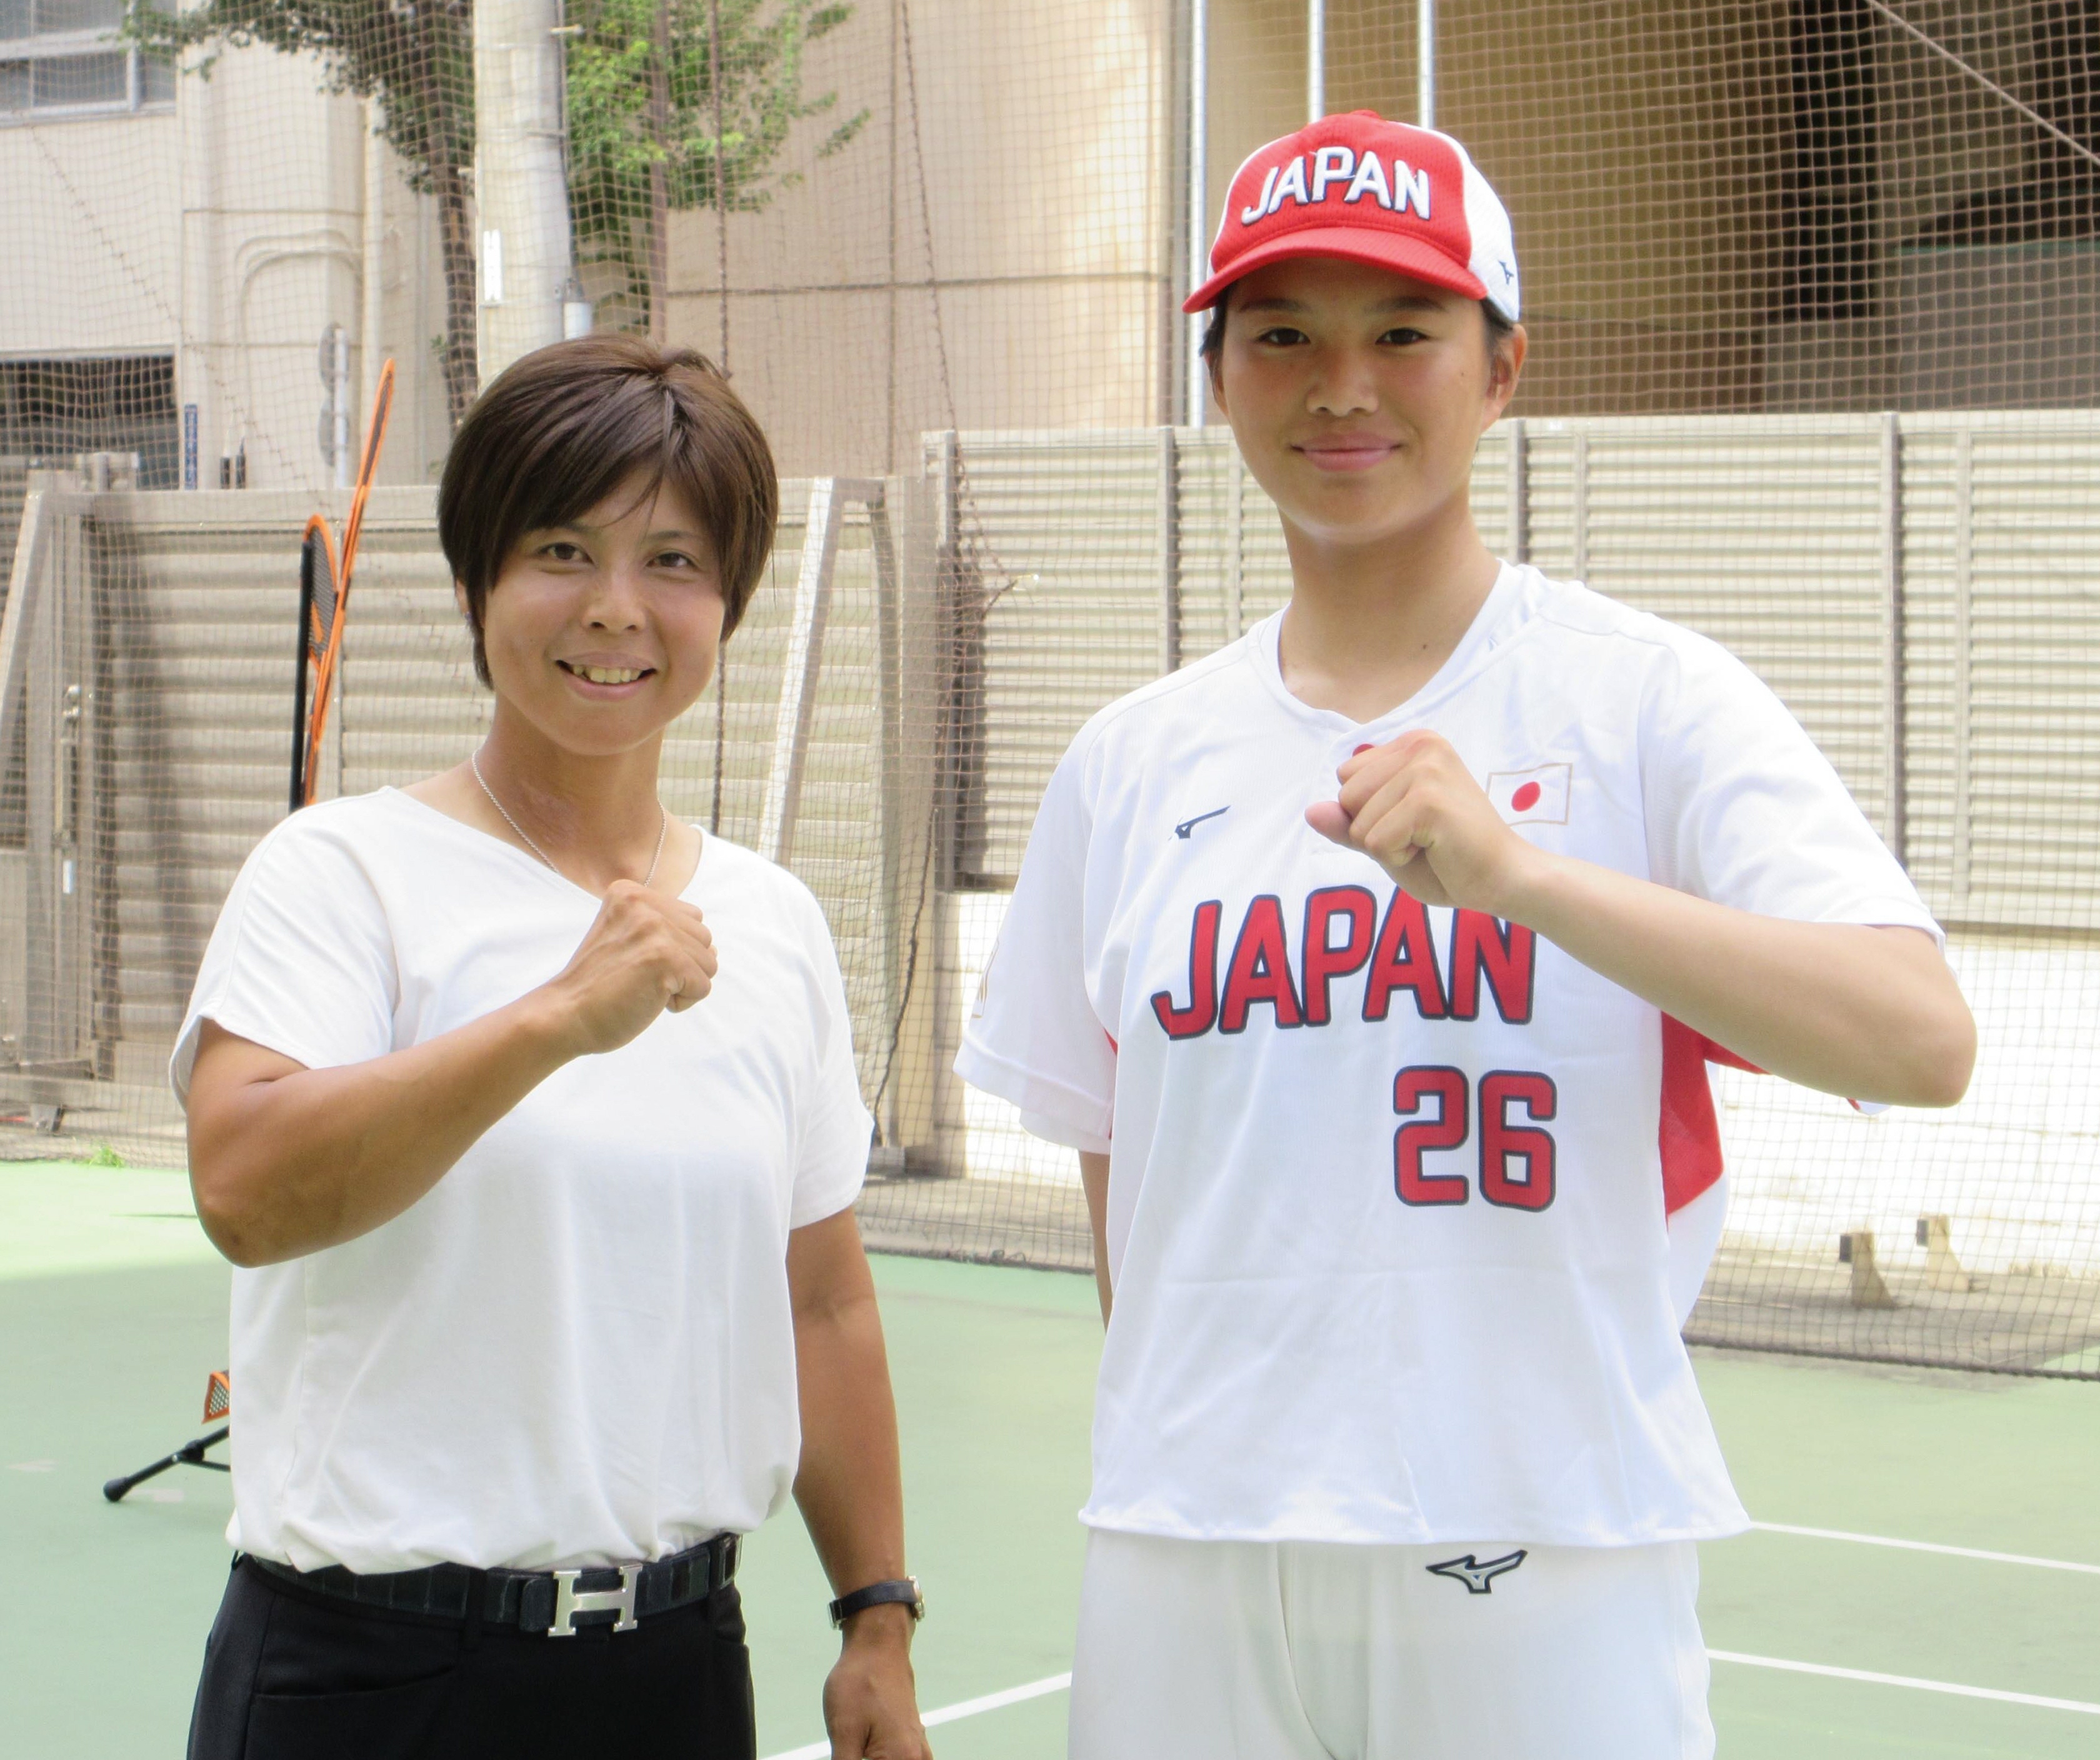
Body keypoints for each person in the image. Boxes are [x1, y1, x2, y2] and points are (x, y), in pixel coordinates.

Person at [956, 112, 1975, 1760]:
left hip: (1534, 1537)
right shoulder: (1133, 761)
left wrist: (1528, 884)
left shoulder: (1647, 700)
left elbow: (1919, 1038)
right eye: (1281, 336)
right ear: (1220, 381)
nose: (1340, 385)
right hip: (1183, 1550)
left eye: (1404, 333)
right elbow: (1119, 1179)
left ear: (1502, 370)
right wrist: (1214, 1452)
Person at [178, 336, 932, 1760]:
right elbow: (246, 1187)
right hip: (369, 1678)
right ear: (477, 581)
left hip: (678, 1669)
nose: (615, 609)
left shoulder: (771, 923)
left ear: (727, 603)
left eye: (674, 561)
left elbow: (822, 1300)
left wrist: (874, 1618)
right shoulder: (343, 872)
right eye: (562, 550)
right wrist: (553, 1022)